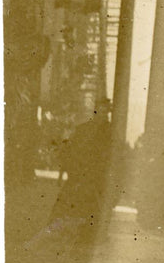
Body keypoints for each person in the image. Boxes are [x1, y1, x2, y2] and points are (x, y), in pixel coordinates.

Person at [48, 98, 115, 246]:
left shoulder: (95, 130)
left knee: (80, 208)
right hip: (86, 177)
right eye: (101, 110)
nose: (103, 114)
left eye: (105, 111)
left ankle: (72, 236)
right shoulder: (100, 131)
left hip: (90, 178)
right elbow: (71, 152)